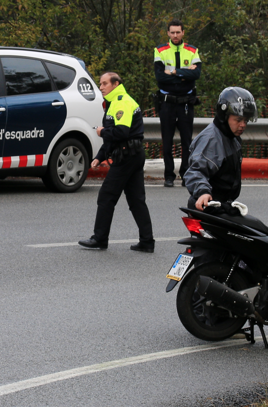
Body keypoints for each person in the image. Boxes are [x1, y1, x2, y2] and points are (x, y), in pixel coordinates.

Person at [79, 72, 155, 252]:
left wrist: (102, 132)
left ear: (116, 84)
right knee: (136, 200)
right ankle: (147, 241)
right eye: (100, 84)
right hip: (131, 154)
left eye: (105, 83)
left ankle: (100, 239)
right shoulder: (115, 102)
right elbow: (113, 139)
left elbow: (121, 132)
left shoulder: (121, 102)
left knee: (106, 197)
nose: (101, 87)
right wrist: (99, 157)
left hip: (126, 156)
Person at [184, 87, 257, 213]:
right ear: (224, 115)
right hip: (208, 205)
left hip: (222, 205)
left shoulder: (231, 137)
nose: (243, 125)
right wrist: (203, 192)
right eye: (238, 120)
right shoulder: (211, 140)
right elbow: (195, 171)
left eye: (245, 120)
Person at [154, 20, 202, 187]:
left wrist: (174, 72)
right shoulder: (160, 50)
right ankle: (169, 176)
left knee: (187, 142)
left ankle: (185, 174)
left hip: (186, 103)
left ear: (183, 33)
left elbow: (196, 75)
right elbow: (160, 77)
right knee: (167, 142)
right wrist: (184, 74)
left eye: (178, 32)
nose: (175, 35)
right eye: (172, 32)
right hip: (167, 103)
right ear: (168, 33)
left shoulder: (192, 50)